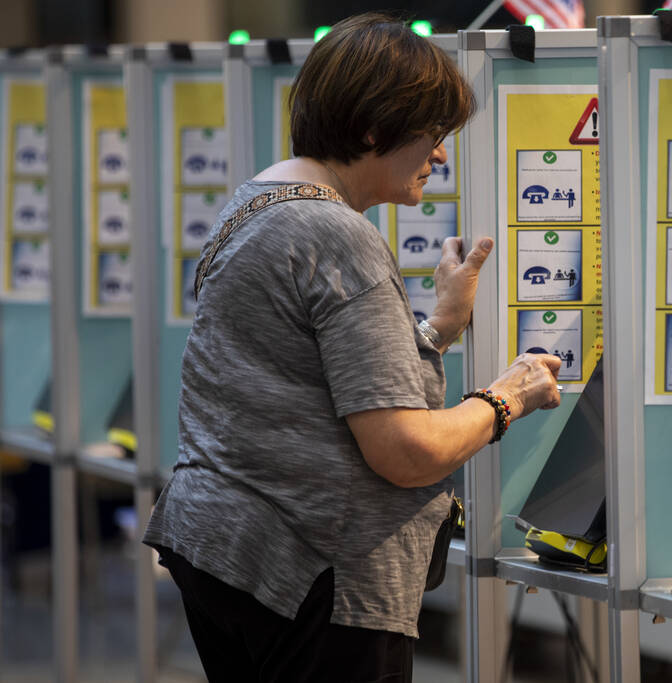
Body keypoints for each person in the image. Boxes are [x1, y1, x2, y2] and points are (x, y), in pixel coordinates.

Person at [142, 14, 561, 683]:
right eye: (433, 133)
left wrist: (436, 331)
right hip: (312, 569)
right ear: (372, 128)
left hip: (226, 550)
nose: (442, 155)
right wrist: (507, 396)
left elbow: (309, 379)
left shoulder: (256, 203)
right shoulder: (338, 234)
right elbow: (403, 449)